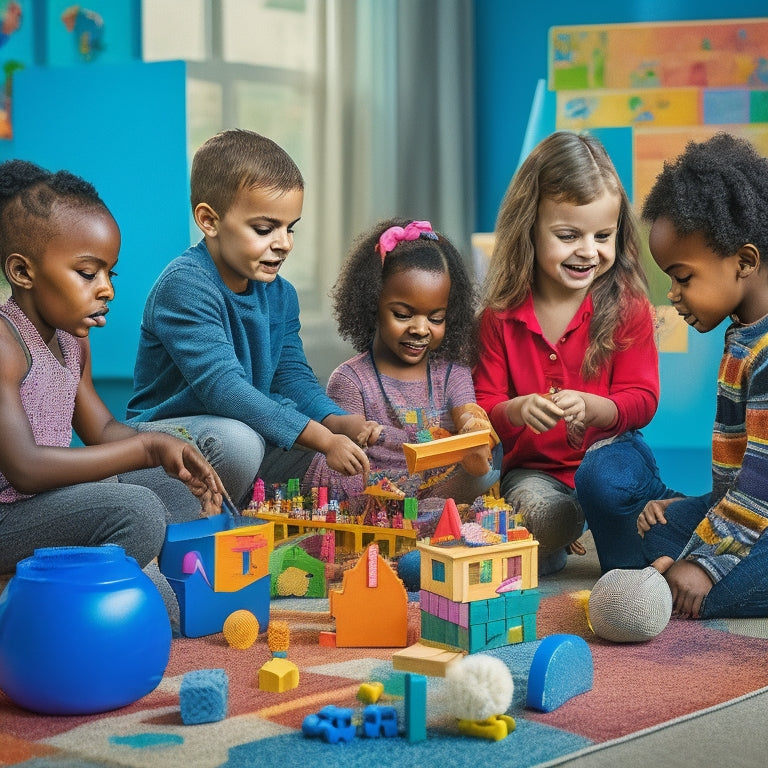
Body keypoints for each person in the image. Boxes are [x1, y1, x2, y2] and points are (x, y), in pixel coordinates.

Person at [0, 159, 226, 577]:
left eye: (110, 271)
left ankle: (118, 582)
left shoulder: (73, 340)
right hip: (6, 517)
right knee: (137, 512)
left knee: (176, 496)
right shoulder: (5, 342)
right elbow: (25, 469)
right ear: (22, 272)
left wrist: (169, 449)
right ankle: (45, 597)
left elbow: (101, 431)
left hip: (46, 502)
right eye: (88, 273)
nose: (107, 288)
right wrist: (145, 448)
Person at [127, 129, 370, 507]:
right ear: (209, 221)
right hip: (169, 440)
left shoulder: (281, 294)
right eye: (264, 229)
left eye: (290, 228)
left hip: (240, 432)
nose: (284, 242)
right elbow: (224, 391)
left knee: (316, 459)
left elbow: (291, 376)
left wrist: (336, 421)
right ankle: (192, 524)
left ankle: (242, 519)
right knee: (241, 442)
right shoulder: (185, 286)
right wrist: (322, 436)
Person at [473, 130, 675, 576]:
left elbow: (642, 400)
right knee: (531, 518)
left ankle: (661, 507)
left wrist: (595, 407)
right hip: (536, 474)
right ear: (529, 227)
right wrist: (517, 409)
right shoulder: (499, 318)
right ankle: (567, 528)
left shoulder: (627, 306)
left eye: (604, 234)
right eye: (568, 235)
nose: (589, 251)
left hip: (609, 461)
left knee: (629, 547)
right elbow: (481, 408)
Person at [632, 132, 768, 619]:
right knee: (656, 526)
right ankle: (681, 567)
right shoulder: (745, 335)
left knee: (698, 587)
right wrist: (696, 513)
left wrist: (705, 564)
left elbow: (761, 481)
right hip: (753, 512)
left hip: (763, 503)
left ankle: (687, 577)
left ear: (745, 262)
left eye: (683, 277)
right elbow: (738, 483)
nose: (672, 293)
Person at [302, 218, 500, 523]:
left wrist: (474, 431)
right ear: (372, 305)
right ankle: (429, 520)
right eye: (403, 314)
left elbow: (467, 414)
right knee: (332, 467)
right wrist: (360, 435)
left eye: (436, 318)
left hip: (436, 485)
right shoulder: (351, 379)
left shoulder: (453, 374)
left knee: (487, 465)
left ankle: (433, 516)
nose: (420, 329)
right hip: (376, 491)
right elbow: (344, 452)